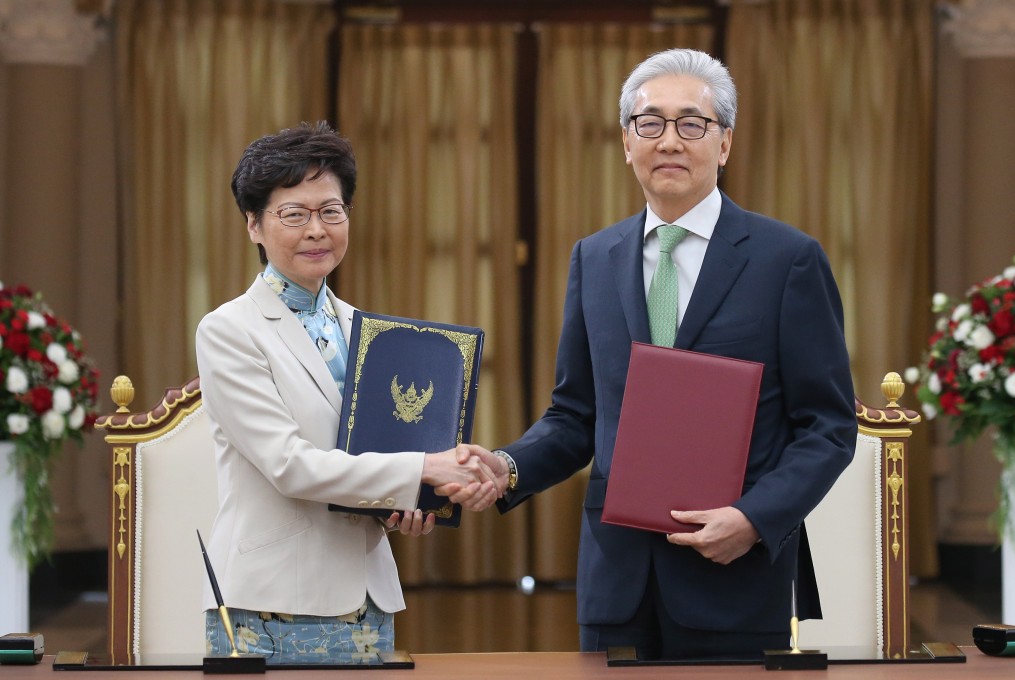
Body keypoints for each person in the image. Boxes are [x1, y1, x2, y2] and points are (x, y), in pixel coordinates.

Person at [484, 48, 857, 659]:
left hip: (735, 580)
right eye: (650, 123)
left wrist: (755, 519)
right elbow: (576, 416)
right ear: (627, 143)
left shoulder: (786, 260)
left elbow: (828, 426)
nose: (670, 141)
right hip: (616, 587)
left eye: (692, 124)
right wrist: (508, 467)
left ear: (725, 143)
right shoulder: (595, 259)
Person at [195, 121, 499, 663]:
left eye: (330, 211)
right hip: (270, 603)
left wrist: (403, 507)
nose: (316, 229)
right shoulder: (229, 330)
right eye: (294, 214)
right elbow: (288, 464)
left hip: (366, 598)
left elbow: (370, 456)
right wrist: (421, 470)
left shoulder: (368, 332)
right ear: (254, 225)